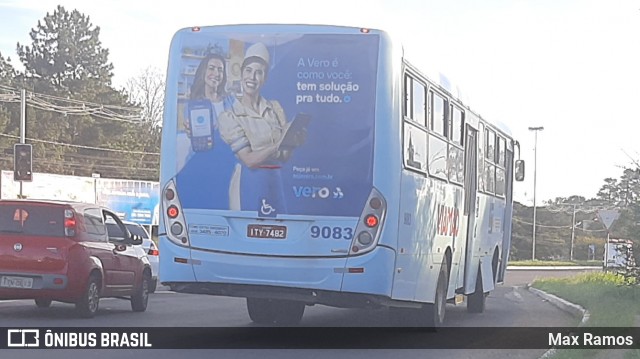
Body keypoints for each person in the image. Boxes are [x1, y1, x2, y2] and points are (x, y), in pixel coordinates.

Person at [218, 42, 306, 215]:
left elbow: (284, 157)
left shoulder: (275, 108)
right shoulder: (230, 116)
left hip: (275, 182)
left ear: (264, 78)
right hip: (247, 184)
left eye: (259, 72)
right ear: (242, 74)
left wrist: (293, 141)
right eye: (249, 71)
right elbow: (249, 160)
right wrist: (277, 145)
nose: (252, 77)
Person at [174, 52, 237, 209]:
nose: (216, 74)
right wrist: (192, 131)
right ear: (203, 72)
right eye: (212, 68)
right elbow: (195, 134)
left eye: (220, 70)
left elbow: (239, 128)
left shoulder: (231, 100)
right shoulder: (192, 104)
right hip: (201, 160)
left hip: (225, 162)